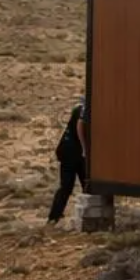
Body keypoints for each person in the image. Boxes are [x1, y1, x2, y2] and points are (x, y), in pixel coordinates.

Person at [47, 94, 87, 225]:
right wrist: (84, 148)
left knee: (72, 186)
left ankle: (54, 217)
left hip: (69, 150)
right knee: (74, 185)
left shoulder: (80, 108)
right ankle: (54, 217)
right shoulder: (85, 109)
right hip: (73, 152)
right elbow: (80, 125)